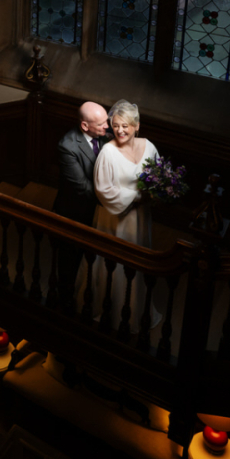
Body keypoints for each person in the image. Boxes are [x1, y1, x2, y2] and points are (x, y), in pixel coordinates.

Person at [87, 100, 160, 329]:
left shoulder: (149, 147)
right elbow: (103, 191)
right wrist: (138, 197)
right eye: (116, 125)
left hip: (139, 219)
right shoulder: (107, 153)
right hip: (114, 219)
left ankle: (136, 308)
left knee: (136, 261)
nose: (119, 130)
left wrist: (156, 191)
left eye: (125, 126)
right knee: (113, 263)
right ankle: (107, 308)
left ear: (137, 126)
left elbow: (157, 177)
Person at [54, 101, 109, 297]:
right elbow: (82, 187)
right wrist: (113, 199)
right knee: (70, 258)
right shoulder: (67, 146)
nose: (107, 127)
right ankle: (65, 296)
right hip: (74, 211)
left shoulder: (104, 136)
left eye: (106, 121)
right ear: (85, 126)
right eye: (101, 124)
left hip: (96, 209)